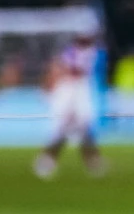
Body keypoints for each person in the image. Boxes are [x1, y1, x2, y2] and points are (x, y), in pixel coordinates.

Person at [34, 28, 107, 179]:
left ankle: (92, 161)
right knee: (63, 129)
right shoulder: (71, 53)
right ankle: (47, 160)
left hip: (80, 90)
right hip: (71, 91)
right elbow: (69, 70)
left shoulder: (92, 52)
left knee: (85, 128)